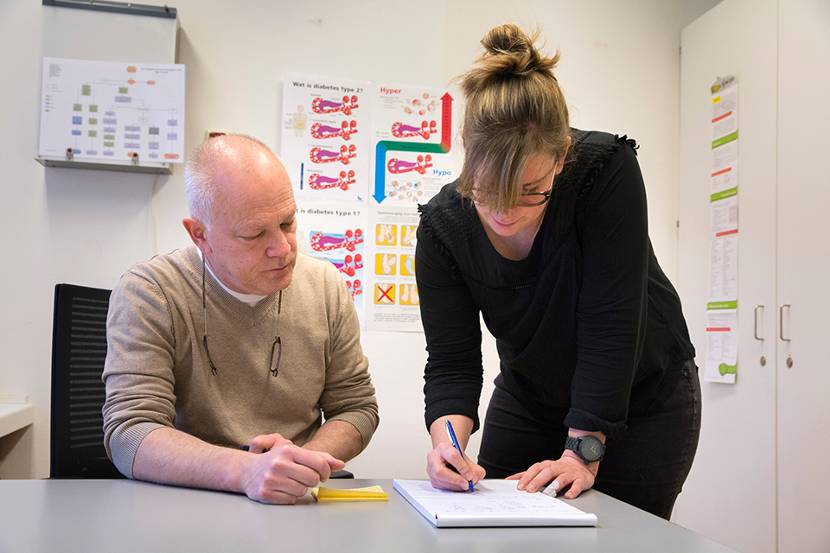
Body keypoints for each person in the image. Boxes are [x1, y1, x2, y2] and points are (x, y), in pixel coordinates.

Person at [416, 24, 700, 520]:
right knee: (491, 526)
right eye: (485, 189)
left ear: (562, 155)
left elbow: (610, 324)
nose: (505, 212)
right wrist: (448, 443)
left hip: (642, 397)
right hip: (532, 395)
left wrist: (583, 451)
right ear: (463, 146)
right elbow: (451, 363)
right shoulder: (443, 229)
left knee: (616, 536)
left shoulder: (603, 173)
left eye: (530, 190)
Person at [102, 134, 379, 505]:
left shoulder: (325, 286)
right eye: (254, 234)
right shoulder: (151, 292)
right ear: (200, 235)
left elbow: (357, 407)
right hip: (191, 499)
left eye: (287, 223)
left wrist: (300, 464)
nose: (282, 248)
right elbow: (130, 432)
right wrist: (246, 471)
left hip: (296, 499)